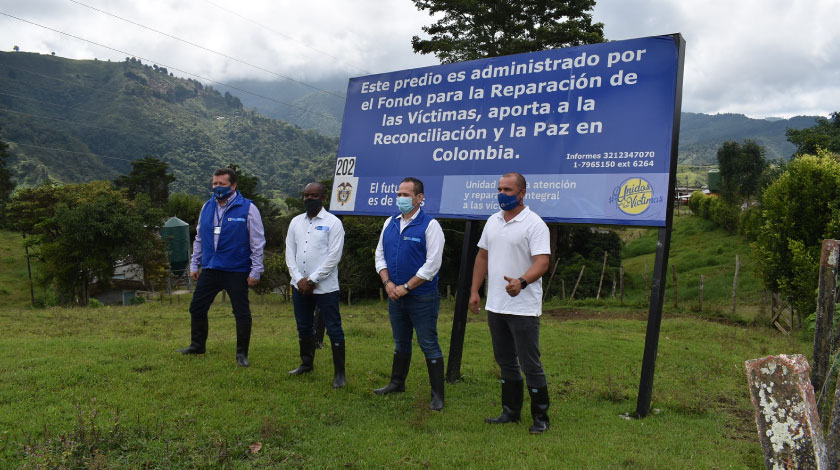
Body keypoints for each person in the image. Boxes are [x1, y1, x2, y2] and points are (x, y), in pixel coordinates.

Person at [469, 172, 551, 434]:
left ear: (522, 193)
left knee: (530, 363)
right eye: (499, 189)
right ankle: (510, 412)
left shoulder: (535, 224)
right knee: (505, 360)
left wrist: (522, 282)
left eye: (507, 189)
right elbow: (482, 257)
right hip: (496, 306)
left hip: (523, 308)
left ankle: (540, 417)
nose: (501, 194)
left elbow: (542, 262)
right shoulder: (492, 221)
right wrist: (474, 291)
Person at [178, 167, 265, 367]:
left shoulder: (248, 208)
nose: (217, 187)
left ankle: (241, 354)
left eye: (222, 184)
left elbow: (257, 242)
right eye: (215, 184)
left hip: (236, 270)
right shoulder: (206, 207)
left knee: (241, 313)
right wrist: (194, 264)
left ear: (233, 186)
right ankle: (197, 345)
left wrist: (256, 270)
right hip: (210, 268)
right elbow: (199, 238)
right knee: (197, 307)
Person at [373, 177, 446, 411]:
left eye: (406, 194)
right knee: (400, 342)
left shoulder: (430, 225)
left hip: (421, 297)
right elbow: (379, 256)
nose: (401, 199)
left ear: (419, 198)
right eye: (399, 194)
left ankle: (437, 396)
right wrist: (388, 284)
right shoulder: (389, 223)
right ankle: (397, 383)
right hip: (394, 295)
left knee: (428, 343)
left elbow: (432, 265)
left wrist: (406, 287)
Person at [285, 182, 347, 388]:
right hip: (299, 286)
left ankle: (339, 374)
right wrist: (298, 279)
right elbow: (289, 254)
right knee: (304, 326)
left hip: (325, 287)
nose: (308, 199)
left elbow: (333, 257)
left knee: (334, 328)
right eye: (306, 196)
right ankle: (306, 363)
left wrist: (312, 280)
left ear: (323, 197)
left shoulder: (334, 223)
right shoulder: (295, 222)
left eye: (313, 196)